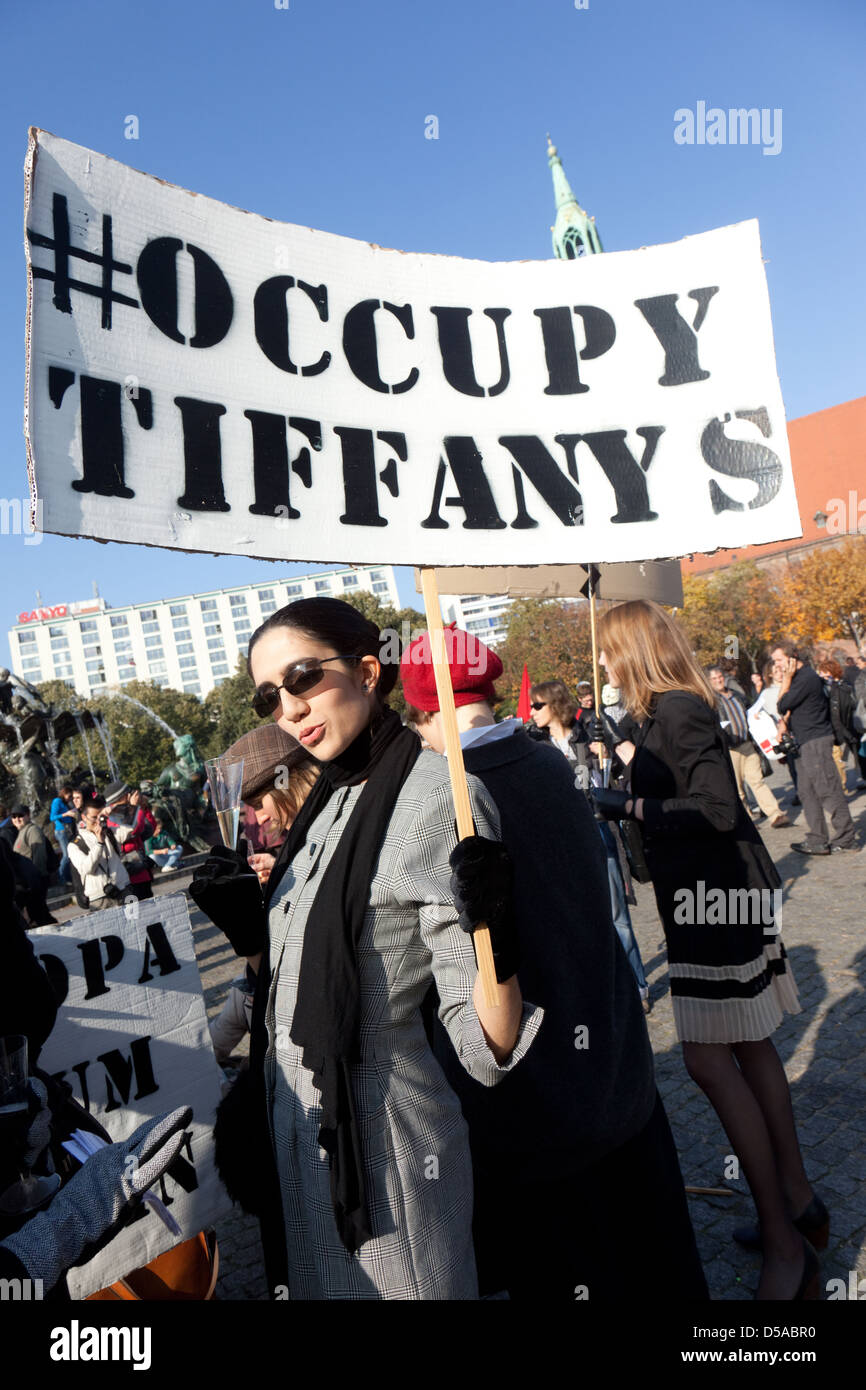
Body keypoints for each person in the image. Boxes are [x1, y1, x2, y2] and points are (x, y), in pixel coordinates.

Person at [192, 597, 540, 1300]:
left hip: (385, 1164)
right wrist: (257, 938)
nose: (287, 708)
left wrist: (496, 937)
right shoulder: (325, 803)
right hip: (302, 1148)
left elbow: (487, 1048)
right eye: (268, 696)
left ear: (369, 670)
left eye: (301, 678)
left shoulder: (440, 799)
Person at [401, 627, 706, 1301]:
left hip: (534, 1113)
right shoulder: (544, 762)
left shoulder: (447, 799)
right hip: (617, 1073)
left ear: (423, 713)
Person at [593, 600, 824, 1301]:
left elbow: (720, 811)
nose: (602, 663)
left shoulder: (681, 709)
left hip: (717, 900)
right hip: (710, 897)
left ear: (634, 649)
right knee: (751, 1049)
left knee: (707, 1059)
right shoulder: (657, 714)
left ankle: (787, 1249)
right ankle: (799, 1209)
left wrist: (625, 804)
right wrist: (630, 759)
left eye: (609, 652)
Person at [531, 680, 650, 1009]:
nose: (532, 712)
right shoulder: (535, 745)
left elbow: (607, 772)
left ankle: (638, 986)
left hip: (596, 828)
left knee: (617, 916)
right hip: (563, 840)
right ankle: (607, 990)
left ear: (555, 705)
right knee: (583, 920)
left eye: (537, 705)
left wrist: (607, 747)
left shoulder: (587, 733)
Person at [772, 642, 858, 855]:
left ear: (792, 658)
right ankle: (817, 839)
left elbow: (781, 705)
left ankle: (846, 839)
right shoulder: (800, 678)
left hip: (816, 741)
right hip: (803, 743)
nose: (777, 665)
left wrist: (787, 679)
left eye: (779, 660)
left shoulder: (806, 678)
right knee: (806, 792)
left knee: (828, 790)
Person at [706, 666, 789, 828]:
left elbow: (749, 711)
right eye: (714, 678)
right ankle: (747, 821)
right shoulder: (711, 701)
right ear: (709, 682)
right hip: (729, 749)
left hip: (747, 745)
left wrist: (755, 716)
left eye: (720, 677)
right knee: (737, 788)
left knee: (757, 781)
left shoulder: (736, 696)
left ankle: (775, 815)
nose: (718, 680)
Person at [67, 798, 131, 911]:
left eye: (100, 817)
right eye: (94, 817)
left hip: (124, 888)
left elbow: (131, 829)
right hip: (99, 898)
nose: (98, 821)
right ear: (83, 817)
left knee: (136, 923)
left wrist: (113, 815)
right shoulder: (75, 844)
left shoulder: (110, 832)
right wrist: (99, 843)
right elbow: (87, 868)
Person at [104, 781, 154, 900]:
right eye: (129, 793)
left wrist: (143, 808)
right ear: (124, 796)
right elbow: (133, 830)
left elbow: (149, 829)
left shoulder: (128, 810)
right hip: (129, 873)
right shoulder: (111, 815)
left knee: (149, 906)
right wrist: (134, 808)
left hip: (140, 868)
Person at [815, 657, 859, 793]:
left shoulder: (843, 686)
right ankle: (841, 786)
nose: (821, 675)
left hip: (847, 724)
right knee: (836, 758)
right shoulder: (823, 688)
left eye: (823, 672)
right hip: (833, 727)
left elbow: (852, 704)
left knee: (856, 752)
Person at [10, 806, 50, 880]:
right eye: (14, 816)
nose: (17, 819)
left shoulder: (33, 830)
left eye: (20, 816)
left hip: (33, 879)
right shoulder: (21, 831)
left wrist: (37, 876)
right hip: (26, 878)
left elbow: (39, 855)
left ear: (28, 816)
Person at [49, 784, 77, 886]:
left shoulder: (65, 803)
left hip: (67, 831)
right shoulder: (57, 801)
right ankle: (60, 878)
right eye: (69, 796)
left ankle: (68, 878)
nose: (70, 798)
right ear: (64, 793)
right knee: (66, 855)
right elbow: (52, 817)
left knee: (70, 855)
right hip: (61, 831)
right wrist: (67, 814)